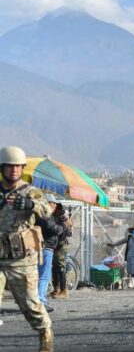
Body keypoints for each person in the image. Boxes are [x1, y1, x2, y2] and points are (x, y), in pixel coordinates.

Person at [0, 146, 54, 351]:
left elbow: (47, 211)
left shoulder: (30, 191)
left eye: (17, 167)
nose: (14, 170)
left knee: (31, 306)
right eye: (9, 166)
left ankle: (46, 337)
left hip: (22, 260)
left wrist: (30, 205)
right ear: (2, 168)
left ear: (22, 168)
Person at [35, 196, 69, 312]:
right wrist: (64, 224)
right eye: (54, 204)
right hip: (45, 248)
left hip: (42, 248)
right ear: (49, 203)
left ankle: (37, 301)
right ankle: (41, 302)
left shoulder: (40, 214)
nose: (55, 207)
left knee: (40, 276)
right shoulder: (44, 215)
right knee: (43, 276)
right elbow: (55, 230)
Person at [107, 224, 134, 289]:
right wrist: (114, 244)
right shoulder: (129, 238)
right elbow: (121, 242)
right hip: (131, 257)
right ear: (132, 231)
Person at [50, 203, 73, 300]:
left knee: (60, 267)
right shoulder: (51, 215)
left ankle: (64, 291)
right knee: (54, 267)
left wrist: (66, 221)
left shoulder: (61, 215)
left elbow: (69, 230)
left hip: (61, 244)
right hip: (54, 244)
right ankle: (56, 289)